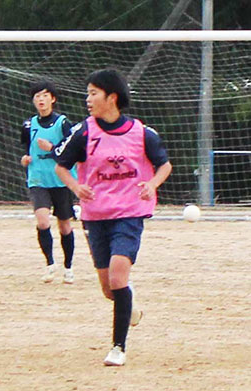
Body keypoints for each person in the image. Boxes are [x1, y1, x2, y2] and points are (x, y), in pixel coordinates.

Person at [54, 70, 172, 367]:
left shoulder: (142, 133)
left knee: (119, 276)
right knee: (109, 288)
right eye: (88, 93)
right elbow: (61, 167)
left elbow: (164, 165)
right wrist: (75, 186)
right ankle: (129, 308)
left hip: (129, 214)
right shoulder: (84, 132)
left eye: (94, 93)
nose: (88, 99)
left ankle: (117, 347)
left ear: (112, 97)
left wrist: (152, 184)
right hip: (96, 217)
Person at [22, 84, 79, 281]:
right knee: (43, 220)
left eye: (45, 96)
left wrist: (52, 147)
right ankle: (49, 264)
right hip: (38, 179)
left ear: (52, 99)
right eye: (37, 96)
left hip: (61, 179)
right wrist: (25, 159)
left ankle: (68, 267)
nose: (41, 100)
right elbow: (25, 150)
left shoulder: (63, 123)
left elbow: (72, 149)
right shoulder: (29, 125)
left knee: (64, 226)